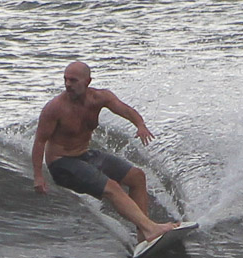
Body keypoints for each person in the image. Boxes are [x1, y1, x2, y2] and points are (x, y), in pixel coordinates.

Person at [32, 61, 181, 243]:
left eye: (73, 80)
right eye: (65, 80)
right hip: (61, 164)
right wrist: (38, 176)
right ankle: (150, 228)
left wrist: (140, 124)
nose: (68, 84)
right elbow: (40, 141)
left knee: (137, 176)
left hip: (84, 156)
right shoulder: (55, 108)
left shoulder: (99, 98)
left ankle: (144, 234)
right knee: (112, 187)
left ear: (87, 81)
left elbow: (125, 109)